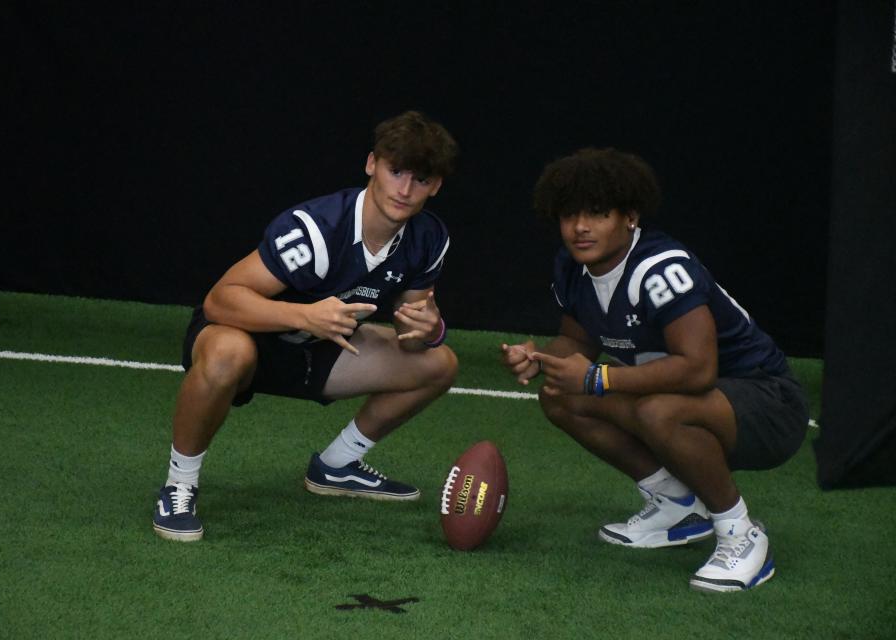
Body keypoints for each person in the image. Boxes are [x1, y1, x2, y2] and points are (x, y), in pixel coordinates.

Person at [501, 148, 808, 592]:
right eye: (570, 215)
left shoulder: (661, 268)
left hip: (769, 404)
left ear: (629, 217)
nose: (580, 227)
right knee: (560, 395)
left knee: (659, 411)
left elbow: (697, 370)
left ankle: (741, 534)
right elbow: (579, 342)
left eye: (597, 213)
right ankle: (676, 503)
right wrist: (540, 357)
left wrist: (597, 378)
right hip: (700, 400)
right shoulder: (573, 267)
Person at [153, 110, 459, 542]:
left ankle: (337, 466)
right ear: (372, 164)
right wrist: (303, 314)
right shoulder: (317, 228)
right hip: (245, 334)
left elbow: (415, 339)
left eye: (421, 180)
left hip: (316, 349)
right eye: (396, 172)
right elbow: (220, 299)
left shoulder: (428, 239)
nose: (405, 190)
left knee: (438, 363)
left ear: (437, 186)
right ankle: (179, 486)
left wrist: (429, 329)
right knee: (229, 354)